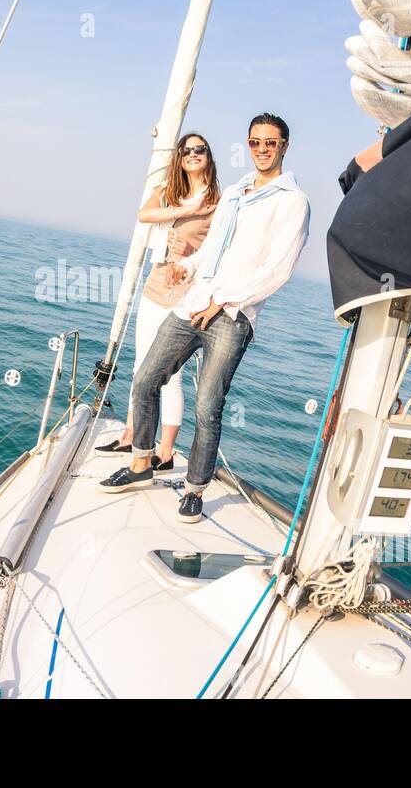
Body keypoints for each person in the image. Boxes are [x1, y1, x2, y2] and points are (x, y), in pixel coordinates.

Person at [98, 113, 311, 524]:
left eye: (270, 142)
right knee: (145, 380)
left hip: (233, 316)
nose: (262, 149)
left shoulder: (292, 201)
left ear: (284, 146)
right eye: (254, 142)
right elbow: (214, 247)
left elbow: (278, 269)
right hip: (192, 302)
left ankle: (194, 489)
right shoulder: (234, 192)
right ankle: (142, 464)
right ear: (247, 145)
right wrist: (188, 268)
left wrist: (225, 301)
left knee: (208, 405)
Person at [95, 133, 219, 470]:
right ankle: (132, 435)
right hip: (156, 281)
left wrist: (192, 257)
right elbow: (145, 214)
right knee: (141, 367)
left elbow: (218, 251)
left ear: (209, 155)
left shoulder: (220, 201)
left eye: (200, 149)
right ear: (179, 156)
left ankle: (164, 450)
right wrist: (185, 209)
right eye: (187, 150)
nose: (193, 154)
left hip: (186, 288)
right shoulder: (171, 190)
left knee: (170, 374)